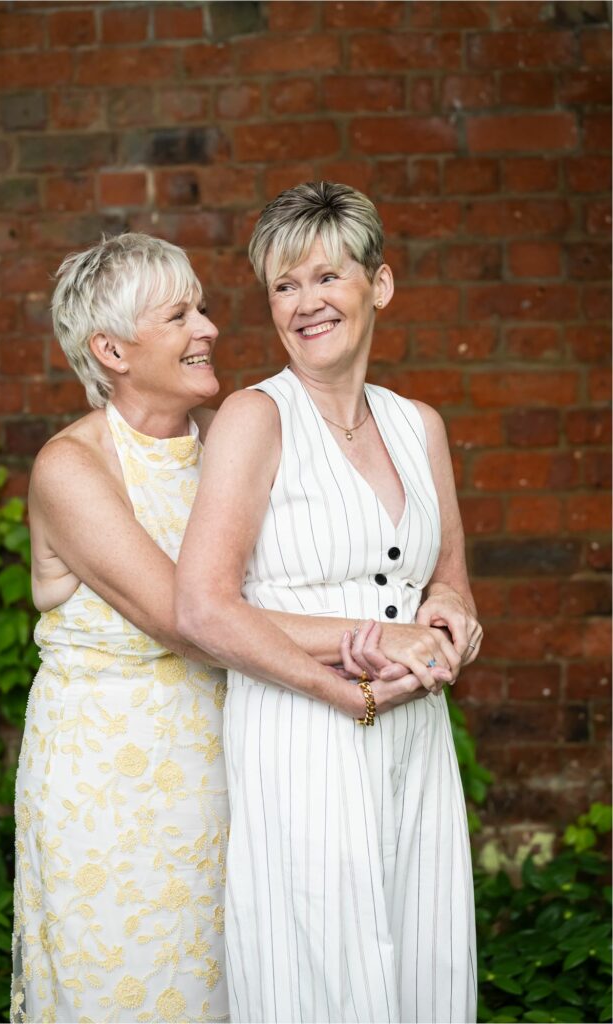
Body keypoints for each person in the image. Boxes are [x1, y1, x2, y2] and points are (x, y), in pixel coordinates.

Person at [10, 231, 462, 1024]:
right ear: (111, 349)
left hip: (234, 765)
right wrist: (369, 651)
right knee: (126, 988)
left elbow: (278, 585)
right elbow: (189, 619)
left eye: (205, 308)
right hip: (112, 786)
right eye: (180, 315)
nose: (210, 328)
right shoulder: (71, 469)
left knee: (241, 988)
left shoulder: (224, 444)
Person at [176, 182, 482, 1024]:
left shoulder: (419, 425)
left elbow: (445, 578)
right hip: (298, 734)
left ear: (376, 285)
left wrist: (454, 617)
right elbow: (201, 608)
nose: (305, 303)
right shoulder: (254, 417)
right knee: (315, 973)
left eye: (326, 277)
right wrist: (368, 646)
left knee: (421, 960)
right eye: (283, 285)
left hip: (415, 738)